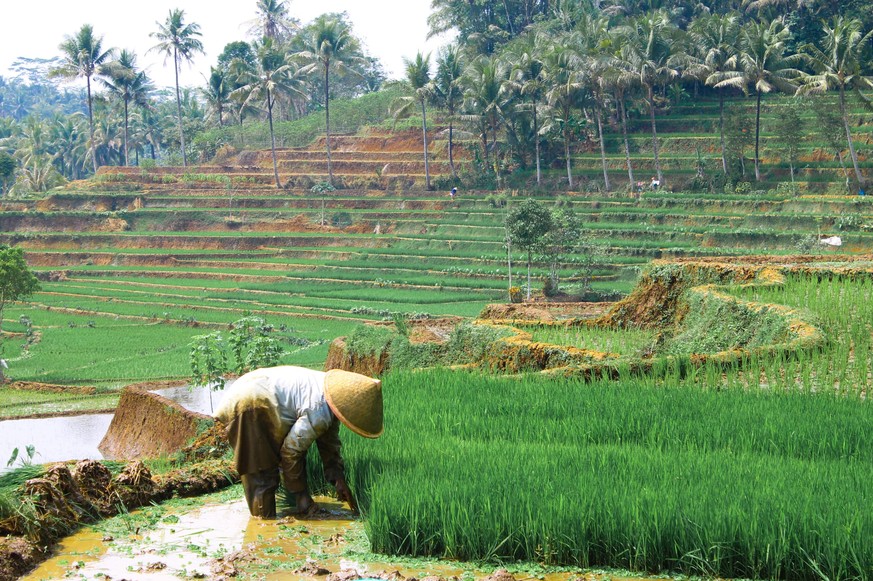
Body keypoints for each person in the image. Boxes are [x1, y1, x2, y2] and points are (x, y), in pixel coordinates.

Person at [214, 366, 383, 518]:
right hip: (250, 402)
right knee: (262, 475)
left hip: (256, 388)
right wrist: (302, 496)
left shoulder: (330, 396)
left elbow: (329, 442)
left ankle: (269, 520)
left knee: (269, 469)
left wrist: (337, 479)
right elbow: (291, 451)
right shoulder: (318, 408)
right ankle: (262, 530)